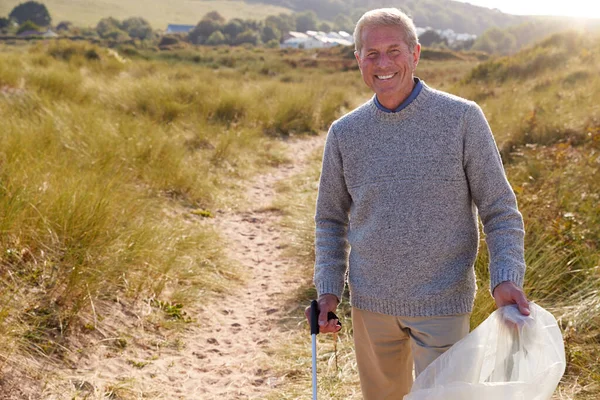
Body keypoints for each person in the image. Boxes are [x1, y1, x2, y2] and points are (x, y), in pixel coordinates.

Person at [304, 7, 530, 400]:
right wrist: (327, 291)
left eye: (394, 50)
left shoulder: (462, 119)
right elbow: (329, 220)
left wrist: (506, 277)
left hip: (444, 300)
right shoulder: (345, 133)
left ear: (416, 53)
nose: (383, 63)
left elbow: (499, 209)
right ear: (357, 60)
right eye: (371, 54)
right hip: (371, 302)